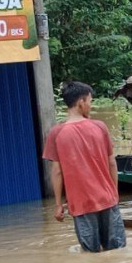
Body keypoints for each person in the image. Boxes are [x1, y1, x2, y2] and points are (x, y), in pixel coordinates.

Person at [43, 81, 126, 252]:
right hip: (107, 199)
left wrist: (58, 205)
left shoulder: (56, 134)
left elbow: (57, 172)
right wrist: (114, 194)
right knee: (118, 252)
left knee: (90, 255)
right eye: (90, 101)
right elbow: (112, 163)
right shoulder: (99, 127)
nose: (90, 105)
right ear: (81, 102)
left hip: (81, 205)